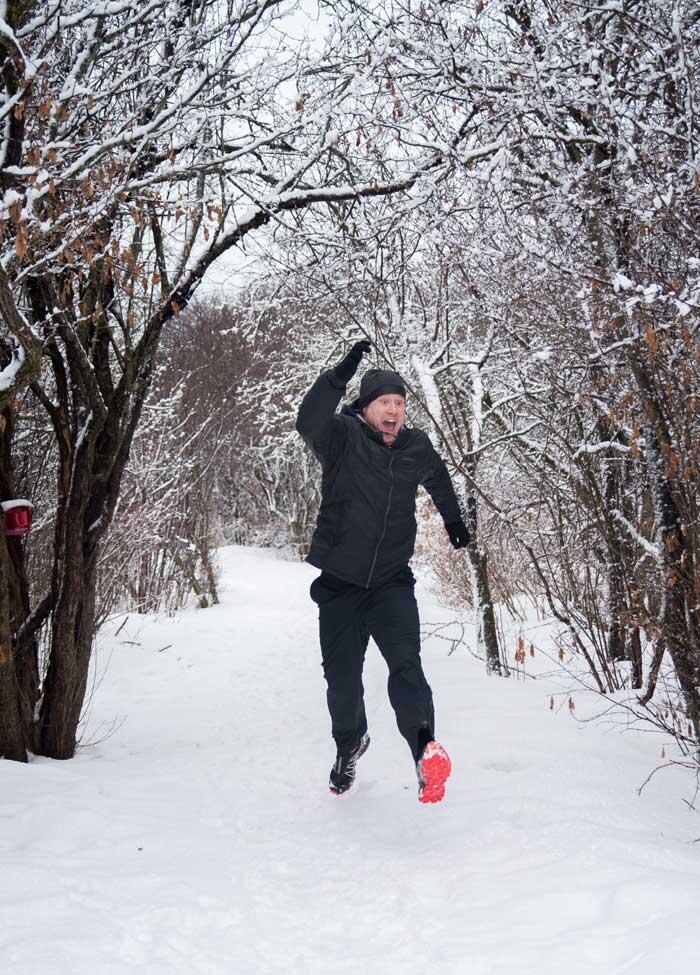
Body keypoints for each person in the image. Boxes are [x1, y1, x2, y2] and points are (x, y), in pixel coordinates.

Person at [296, 340, 469, 803]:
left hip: (391, 582)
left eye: (399, 403)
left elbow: (438, 478)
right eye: (384, 403)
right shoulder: (342, 438)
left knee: (406, 666)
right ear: (367, 408)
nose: (393, 411)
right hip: (339, 585)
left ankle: (423, 751)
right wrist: (339, 375)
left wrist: (453, 519)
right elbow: (307, 420)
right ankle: (349, 744)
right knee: (343, 680)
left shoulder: (415, 446)